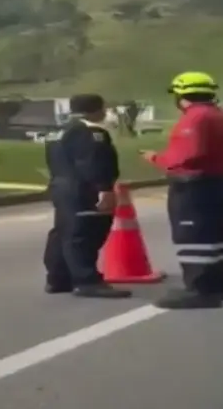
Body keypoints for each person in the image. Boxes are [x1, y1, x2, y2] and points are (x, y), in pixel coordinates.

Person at [141, 72, 223, 309]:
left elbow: (186, 156)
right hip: (219, 181)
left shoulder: (195, 119)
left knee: (193, 237)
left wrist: (155, 157)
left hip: (194, 186)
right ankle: (216, 286)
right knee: (213, 237)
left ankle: (200, 289)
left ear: (181, 95)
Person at [43, 94, 131, 299]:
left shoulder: (57, 132)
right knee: (85, 234)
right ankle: (87, 280)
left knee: (63, 233)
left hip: (61, 186)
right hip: (83, 188)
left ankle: (58, 278)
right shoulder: (91, 133)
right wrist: (104, 189)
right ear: (95, 110)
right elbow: (92, 163)